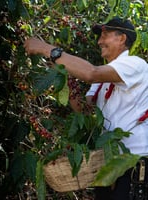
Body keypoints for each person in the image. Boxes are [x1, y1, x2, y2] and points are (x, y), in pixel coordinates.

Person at [24, 16, 148, 200]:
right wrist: (64, 77)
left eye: (104, 35)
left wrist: (46, 49)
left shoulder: (135, 64)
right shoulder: (102, 81)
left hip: (133, 166)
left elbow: (90, 73)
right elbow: (85, 112)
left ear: (122, 39)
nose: (99, 41)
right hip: (107, 165)